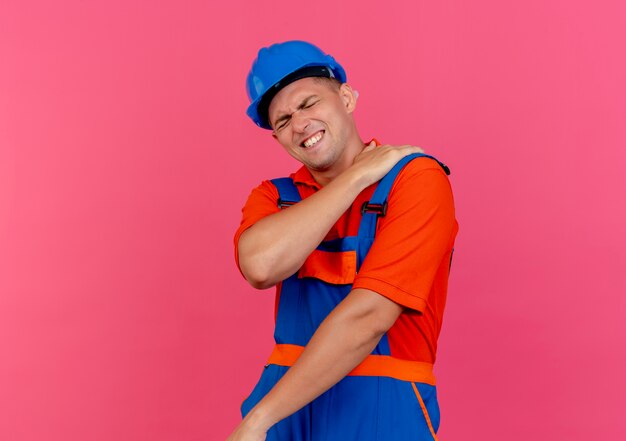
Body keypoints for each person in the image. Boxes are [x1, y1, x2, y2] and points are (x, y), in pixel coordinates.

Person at [227, 40, 458, 441]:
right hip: (284, 413)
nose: (299, 125)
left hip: (381, 409)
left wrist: (261, 419)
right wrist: (354, 179)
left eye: (308, 103)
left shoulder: (416, 180)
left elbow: (369, 318)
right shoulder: (273, 196)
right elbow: (261, 267)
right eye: (282, 121)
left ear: (347, 98)